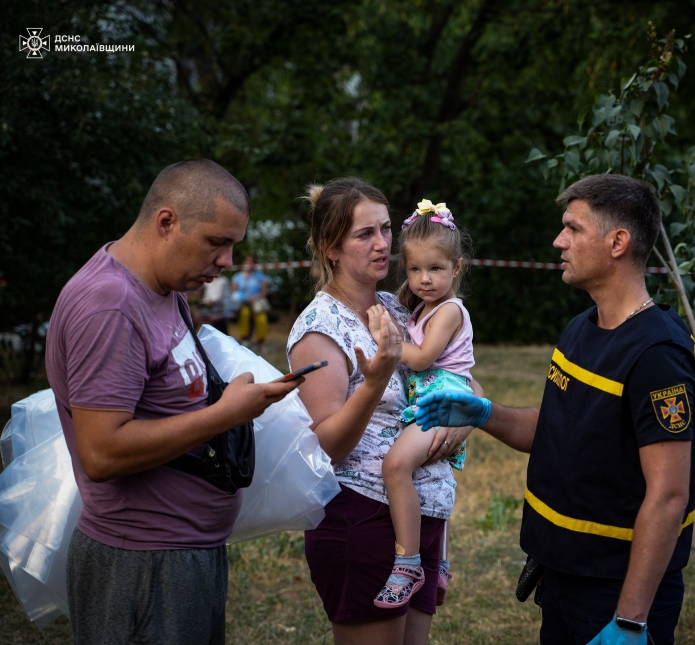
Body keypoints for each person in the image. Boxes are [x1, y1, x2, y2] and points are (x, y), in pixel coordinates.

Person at [415, 175, 695, 645]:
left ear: (617, 242)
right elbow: (555, 428)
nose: (559, 241)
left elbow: (669, 495)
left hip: (615, 593)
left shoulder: (659, 357)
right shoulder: (581, 327)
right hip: (562, 577)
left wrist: (631, 619)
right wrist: (482, 413)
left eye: (572, 228)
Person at [45, 159, 303, 645]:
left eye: (233, 246)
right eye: (216, 242)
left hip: (183, 555)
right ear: (167, 222)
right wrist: (227, 413)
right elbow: (101, 453)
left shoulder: (165, 290)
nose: (226, 261)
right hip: (141, 563)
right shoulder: (109, 305)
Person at [287, 178, 477, 645]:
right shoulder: (319, 330)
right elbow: (326, 446)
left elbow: (467, 384)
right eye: (364, 234)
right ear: (331, 248)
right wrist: (375, 381)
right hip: (362, 517)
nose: (382, 244)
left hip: (421, 515)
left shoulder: (396, 306)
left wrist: (464, 421)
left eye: (386, 229)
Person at [367, 200, 473, 609]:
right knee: (432, 473)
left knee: (396, 466)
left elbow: (424, 358)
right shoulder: (423, 308)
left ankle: (408, 562)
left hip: (442, 399)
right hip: (433, 396)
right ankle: (439, 562)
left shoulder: (447, 311)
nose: (424, 279)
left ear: (457, 268)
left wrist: (388, 339)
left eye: (435, 269)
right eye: (414, 270)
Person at [231, 253, 269, 351]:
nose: (249, 263)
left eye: (251, 261)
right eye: (247, 261)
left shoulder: (260, 276)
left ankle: (261, 342)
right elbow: (234, 292)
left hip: (256, 304)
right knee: (244, 314)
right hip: (243, 304)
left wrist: (254, 298)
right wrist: (242, 297)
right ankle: (244, 339)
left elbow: (264, 292)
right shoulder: (237, 277)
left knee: (261, 318)